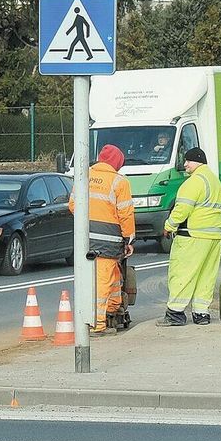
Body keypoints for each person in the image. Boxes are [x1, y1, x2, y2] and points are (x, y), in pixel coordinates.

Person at [68, 144, 134, 336]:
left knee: (111, 277)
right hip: (108, 240)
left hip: (85, 238)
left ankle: (113, 309)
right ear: (117, 163)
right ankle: (98, 325)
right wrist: (129, 239)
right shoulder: (119, 182)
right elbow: (126, 213)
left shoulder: (84, 175)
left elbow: (73, 205)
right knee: (104, 280)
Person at [159, 148, 221, 327]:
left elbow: (182, 209)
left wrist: (169, 226)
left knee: (182, 272)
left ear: (198, 161)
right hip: (213, 237)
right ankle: (201, 313)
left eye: (188, 161)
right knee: (206, 276)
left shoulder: (194, 182)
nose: (185, 164)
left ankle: (175, 313)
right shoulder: (214, 181)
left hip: (192, 236)